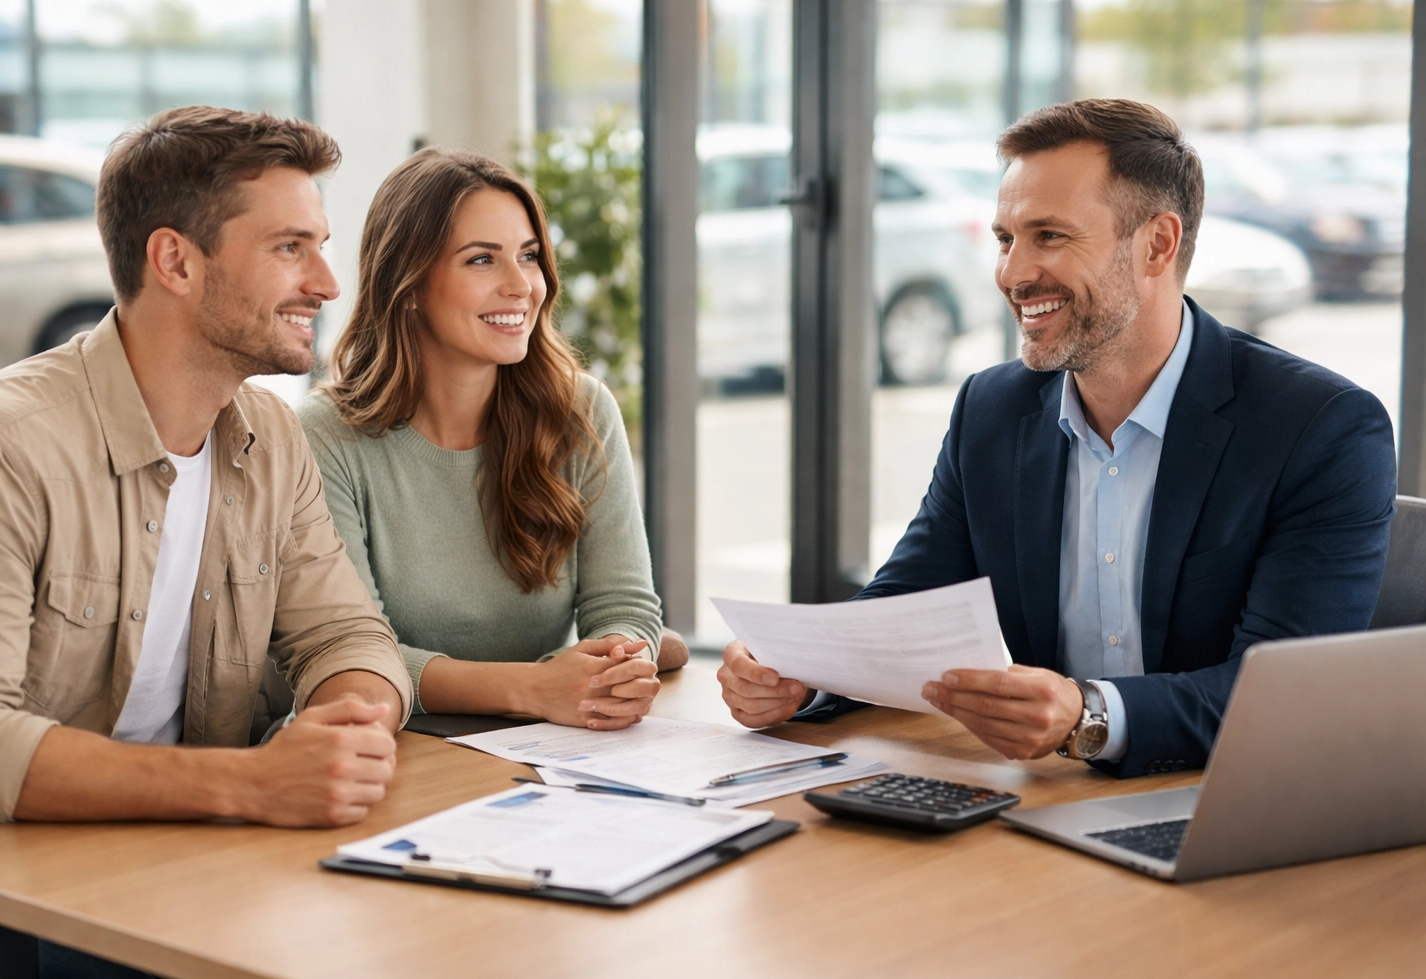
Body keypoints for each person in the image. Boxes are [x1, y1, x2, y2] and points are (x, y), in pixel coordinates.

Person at [0, 106, 409, 979]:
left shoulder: (271, 437)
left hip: (180, 866)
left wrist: (340, 730)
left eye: (320, 245)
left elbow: (347, 635)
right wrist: (251, 784)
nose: (327, 282)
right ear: (175, 261)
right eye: (291, 247)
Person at [717, 98, 1396, 778]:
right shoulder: (992, 409)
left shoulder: (1320, 429)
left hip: (1230, 806)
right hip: (1049, 805)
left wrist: (1088, 716)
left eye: (1050, 236)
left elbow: (1280, 696)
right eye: (1007, 238)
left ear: (1157, 243)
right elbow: (904, 609)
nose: (1012, 274)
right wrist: (801, 676)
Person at [298, 148, 671, 733]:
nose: (522, 286)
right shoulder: (327, 435)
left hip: (547, 743)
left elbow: (625, 609)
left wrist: (620, 663)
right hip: (392, 747)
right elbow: (350, 657)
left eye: (529, 257)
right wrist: (535, 687)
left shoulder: (583, 411)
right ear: (410, 283)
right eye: (481, 260)